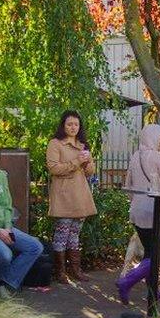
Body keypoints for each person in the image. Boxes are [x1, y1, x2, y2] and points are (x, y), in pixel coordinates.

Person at [116, 124, 160, 305]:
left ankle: (154, 291)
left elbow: (128, 185)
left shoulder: (135, 156)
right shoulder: (156, 156)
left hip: (136, 211)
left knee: (150, 252)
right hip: (153, 212)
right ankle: (127, 281)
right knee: (156, 255)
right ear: (154, 138)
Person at [0, 145, 43, 296]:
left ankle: (5, 283)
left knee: (35, 246)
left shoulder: (1, 176)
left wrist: (7, 228)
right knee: (5, 254)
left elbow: (7, 206)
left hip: (4, 226)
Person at [45, 110, 97, 283]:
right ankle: (60, 272)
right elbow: (53, 168)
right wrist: (77, 162)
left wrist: (89, 161)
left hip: (80, 194)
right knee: (62, 233)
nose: (73, 127)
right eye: (69, 124)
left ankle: (75, 270)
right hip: (64, 194)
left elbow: (90, 173)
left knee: (75, 234)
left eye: (76, 124)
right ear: (63, 125)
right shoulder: (55, 143)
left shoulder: (83, 144)